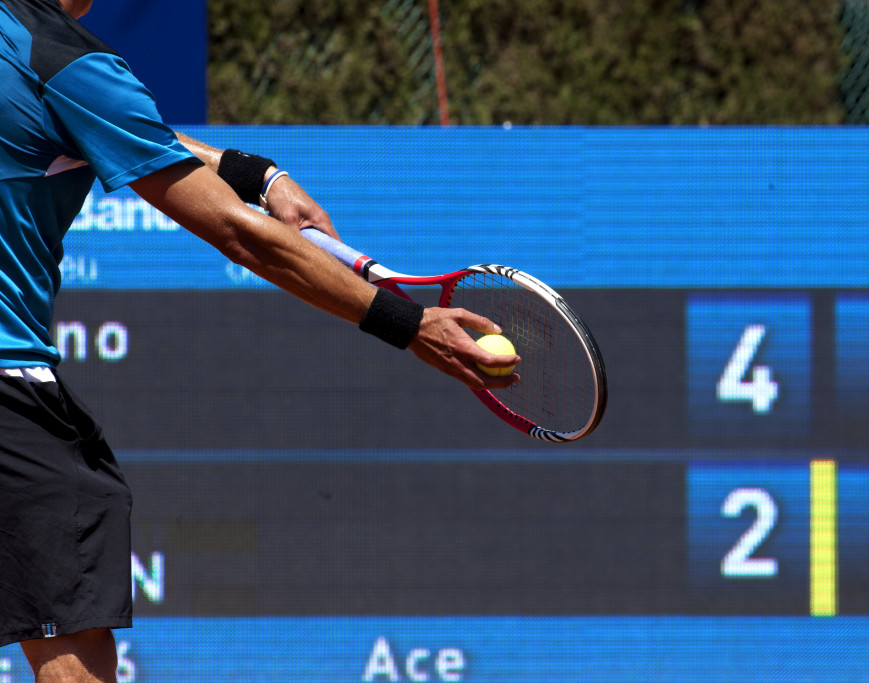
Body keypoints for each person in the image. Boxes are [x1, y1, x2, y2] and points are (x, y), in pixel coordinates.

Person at [0, 0, 519, 681]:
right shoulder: (65, 61)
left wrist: (257, 174)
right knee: (72, 640)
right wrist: (410, 324)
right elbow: (240, 235)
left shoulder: (41, 60)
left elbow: (117, 129)